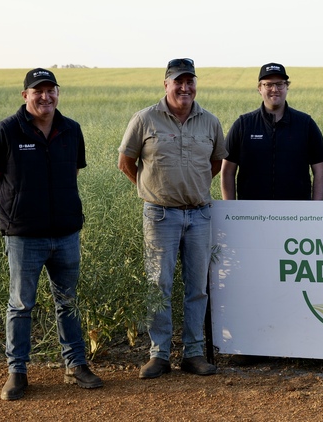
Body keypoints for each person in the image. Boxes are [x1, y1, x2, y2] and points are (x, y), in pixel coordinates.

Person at [0, 68, 103, 400]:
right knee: (21, 305)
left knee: (68, 302)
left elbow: (73, 171)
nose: (45, 96)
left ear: (57, 94)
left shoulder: (71, 130)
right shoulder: (6, 132)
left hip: (65, 234)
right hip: (24, 238)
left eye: (51, 90)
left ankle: (75, 365)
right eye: (38, 91)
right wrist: (20, 213)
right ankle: (17, 372)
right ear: (26, 96)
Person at [118, 58, 227, 379]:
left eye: (190, 81)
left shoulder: (210, 121)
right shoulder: (145, 119)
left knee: (198, 288)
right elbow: (126, 162)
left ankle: (193, 353)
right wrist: (151, 189)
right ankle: (159, 354)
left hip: (199, 214)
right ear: (166, 84)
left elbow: (217, 163)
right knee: (159, 285)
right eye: (178, 81)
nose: (185, 87)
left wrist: (191, 187)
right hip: (160, 215)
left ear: (195, 84)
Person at [221, 62, 323, 200]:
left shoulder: (306, 124)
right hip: (250, 214)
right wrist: (230, 209)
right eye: (268, 84)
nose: (274, 89)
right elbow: (227, 171)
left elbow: (320, 170)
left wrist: (316, 209)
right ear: (260, 88)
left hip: (296, 213)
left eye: (280, 84)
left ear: (287, 87)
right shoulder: (243, 125)